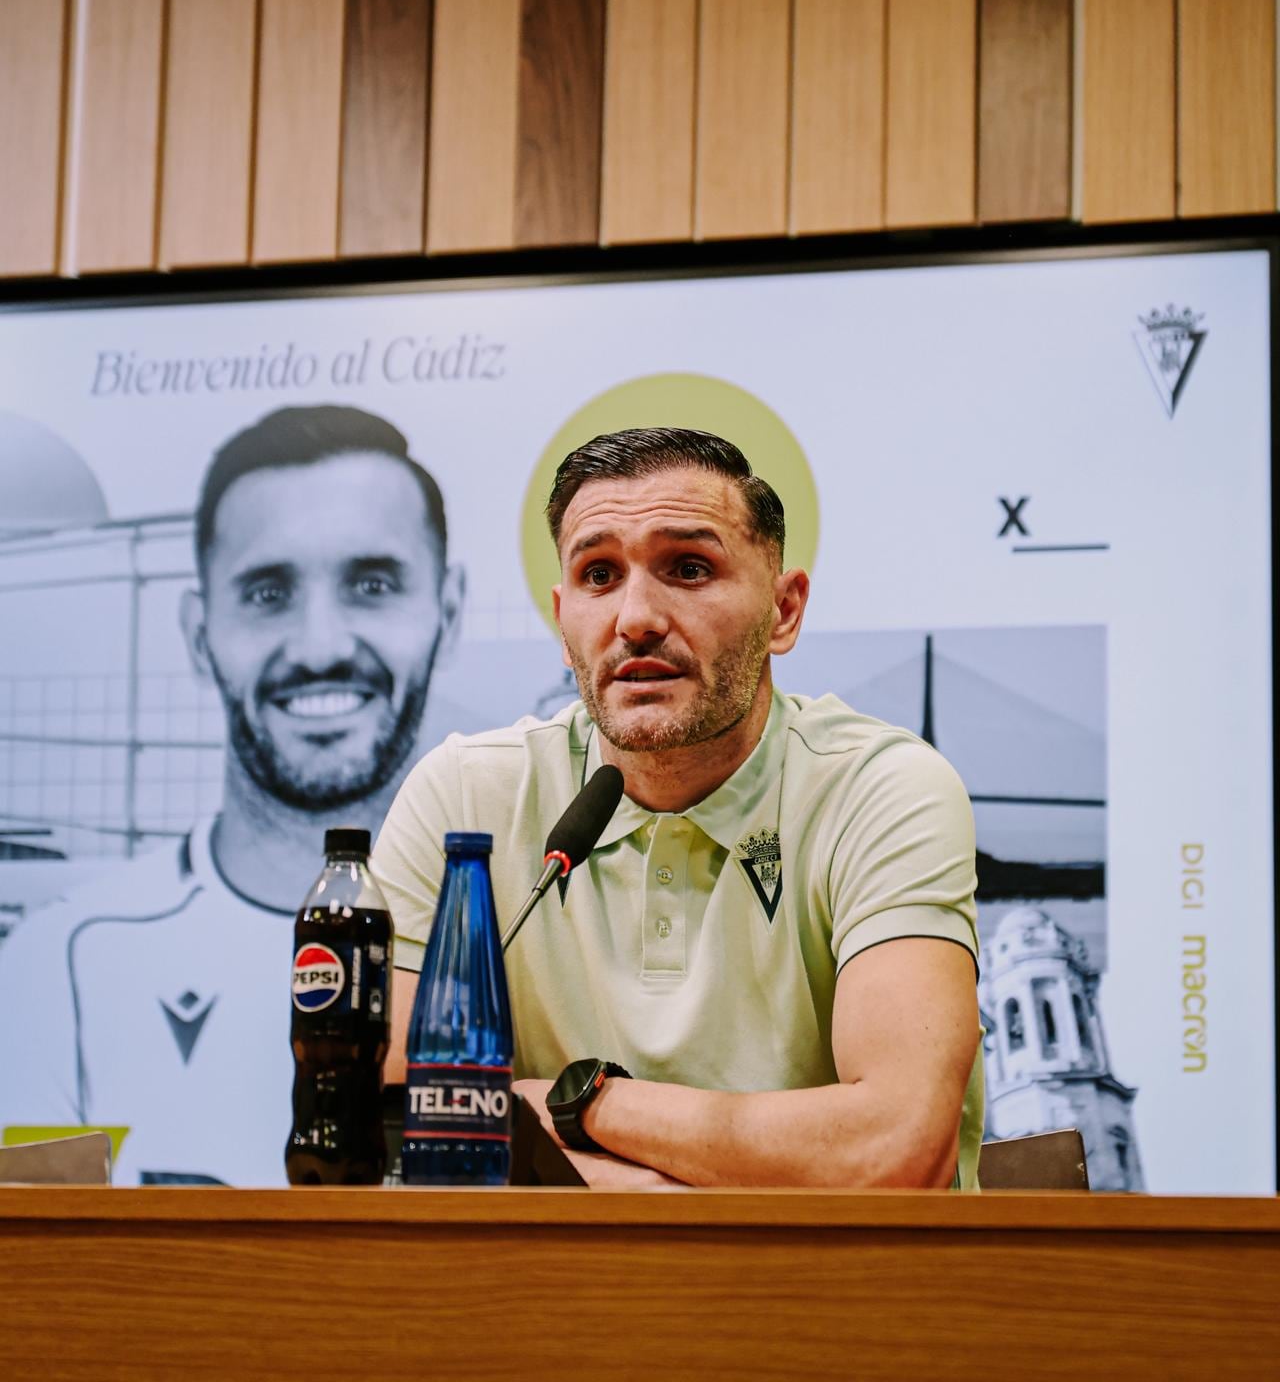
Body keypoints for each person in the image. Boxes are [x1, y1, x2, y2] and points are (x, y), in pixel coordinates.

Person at [373, 426, 983, 1189]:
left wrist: (579, 1105)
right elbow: (395, 1130)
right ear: (564, 625)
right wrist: (671, 1190)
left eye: (689, 568)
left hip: (839, 1299)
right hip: (545, 1296)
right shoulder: (465, 796)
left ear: (784, 611)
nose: (635, 619)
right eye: (599, 575)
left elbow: (894, 1151)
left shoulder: (881, 789)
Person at [0, 405, 462, 1185]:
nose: (320, 646)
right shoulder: (62, 965)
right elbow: (39, 1257)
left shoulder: (508, 944)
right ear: (197, 630)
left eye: (372, 583)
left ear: (446, 614)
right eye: (267, 592)